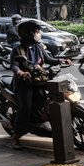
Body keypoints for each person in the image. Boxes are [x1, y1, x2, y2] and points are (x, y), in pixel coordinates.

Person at [10, 20, 71, 150]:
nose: (39, 34)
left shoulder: (38, 47)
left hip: (39, 80)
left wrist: (62, 60)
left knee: (48, 100)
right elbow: (14, 66)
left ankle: (42, 121)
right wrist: (21, 72)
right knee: (25, 108)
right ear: (28, 33)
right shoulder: (18, 49)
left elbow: (49, 59)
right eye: (36, 31)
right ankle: (16, 137)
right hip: (24, 84)